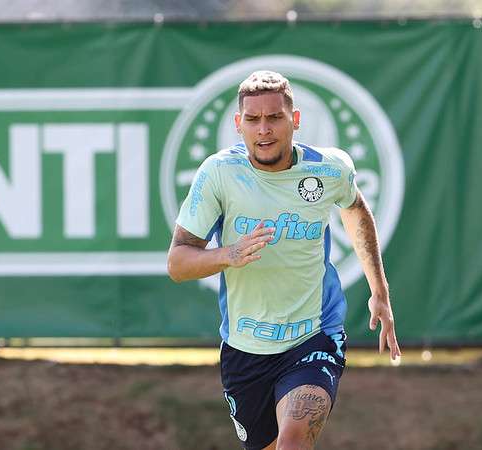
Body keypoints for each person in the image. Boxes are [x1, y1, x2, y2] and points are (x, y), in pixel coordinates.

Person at [167, 70, 400, 450]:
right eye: (254, 120)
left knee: (293, 442)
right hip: (245, 348)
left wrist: (380, 291)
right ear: (238, 125)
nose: (264, 130)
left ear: (295, 120)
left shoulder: (328, 169)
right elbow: (178, 262)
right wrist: (228, 254)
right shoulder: (218, 175)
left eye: (274, 118)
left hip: (314, 334)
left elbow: (355, 210)